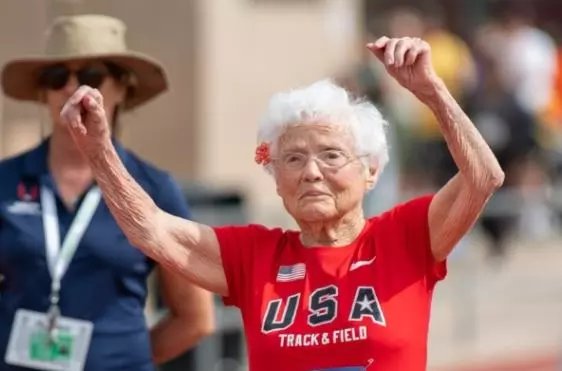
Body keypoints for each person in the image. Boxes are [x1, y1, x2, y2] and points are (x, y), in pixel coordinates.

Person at [60, 36, 504, 371]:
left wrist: (431, 92)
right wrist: (99, 151)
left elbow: (483, 176)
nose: (311, 172)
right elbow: (152, 230)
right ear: (276, 180)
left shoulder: (404, 237)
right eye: (293, 158)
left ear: (371, 171)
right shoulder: (255, 257)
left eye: (331, 155)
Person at [0, 15, 214, 370]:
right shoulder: (5, 180)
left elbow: (195, 318)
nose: (71, 87)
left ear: (122, 88)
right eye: (57, 78)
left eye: (90, 76)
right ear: (43, 92)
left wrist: (122, 359)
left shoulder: (155, 189)